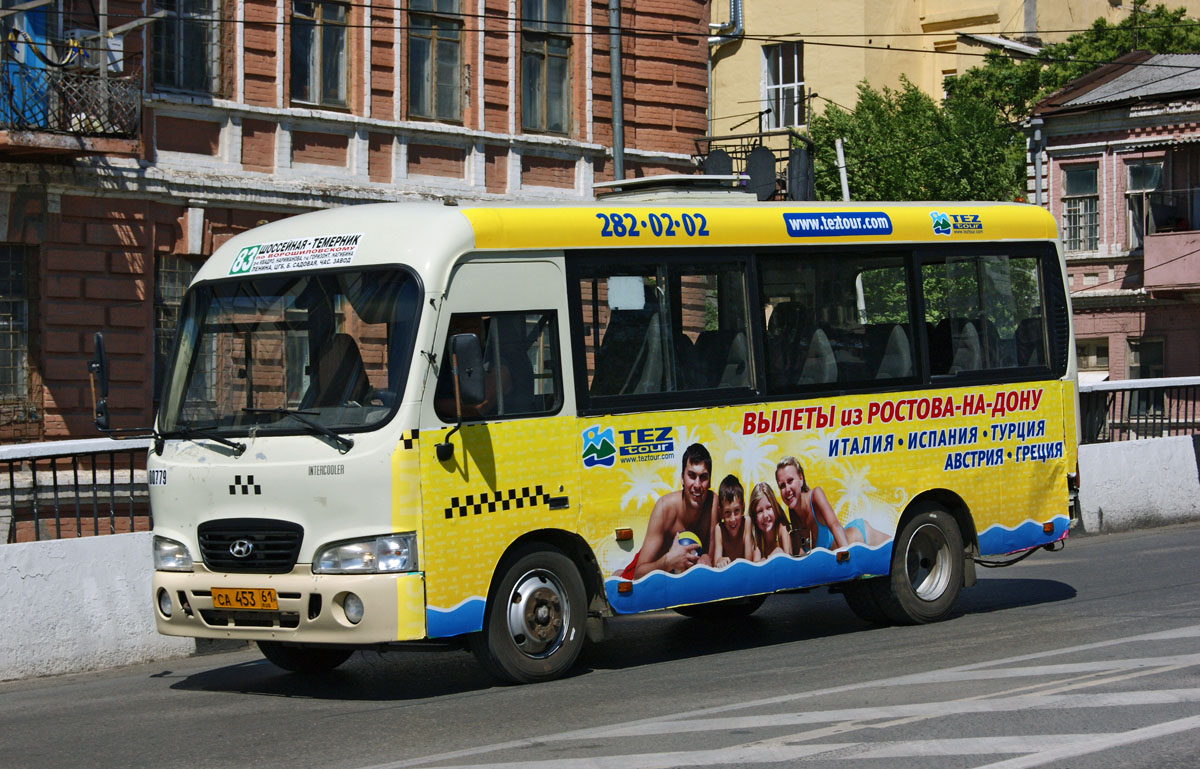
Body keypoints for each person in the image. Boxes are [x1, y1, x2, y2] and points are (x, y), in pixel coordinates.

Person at [619, 443, 716, 579]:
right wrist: (668, 562)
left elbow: (711, 553)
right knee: (622, 582)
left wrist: (706, 557)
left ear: (710, 481)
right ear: (682, 478)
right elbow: (639, 573)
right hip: (655, 571)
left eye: (703, 477)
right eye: (692, 476)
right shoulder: (664, 508)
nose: (697, 485)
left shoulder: (712, 503)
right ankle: (618, 573)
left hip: (685, 582)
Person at [775, 455, 889, 555]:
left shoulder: (815, 495)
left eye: (790, 481)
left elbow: (835, 525)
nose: (787, 489)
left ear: (801, 478)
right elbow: (802, 554)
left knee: (896, 552)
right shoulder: (793, 513)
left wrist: (846, 557)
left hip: (862, 537)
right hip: (848, 554)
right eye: (782, 486)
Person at [711, 474, 752, 568]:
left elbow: (749, 562)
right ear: (720, 512)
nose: (732, 519)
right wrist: (719, 561)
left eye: (736, 510)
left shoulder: (746, 523)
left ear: (743, 508)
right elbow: (716, 562)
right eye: (727, 512)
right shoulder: (719, 529)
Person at [748, 482, 791, 561]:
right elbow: (756, 563)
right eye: (759, 511)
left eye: (769, 508)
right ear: (754, 516)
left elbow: (788, 559)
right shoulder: (757, 536)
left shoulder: (782, 528)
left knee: (779, 552)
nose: (765, 516)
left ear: (774, 507)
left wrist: (769, 558)